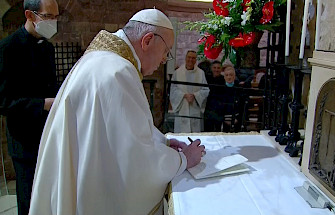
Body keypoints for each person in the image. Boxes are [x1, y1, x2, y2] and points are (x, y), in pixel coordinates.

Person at [29, 9, 205, 215]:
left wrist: (163, 142)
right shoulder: (118, 72)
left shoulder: (104, 60)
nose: (164, 60)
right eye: (166, 52)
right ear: (147, 40)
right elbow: (137, 159)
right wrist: (185, 159)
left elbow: (120, 134)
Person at [0, 0, 59, 214]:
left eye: (55, 17)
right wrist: (43, 104)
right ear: (30, 15)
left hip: (47, 135)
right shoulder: (8, 48)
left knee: (49, 197)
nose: (53, 22)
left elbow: (51, 87)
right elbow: (4, 102)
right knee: (29, 200)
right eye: (48, 16)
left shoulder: (48, 48)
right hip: (24, 140)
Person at [170, 50, 209, 133]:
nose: (191, 60)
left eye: (193, 58)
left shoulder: (201, 73)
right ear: (185, 58)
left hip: (195, 106)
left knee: (194, 132)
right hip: (182, 106)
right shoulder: (177, 72)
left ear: (196, 60)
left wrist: (195, 95)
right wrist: (184, 95)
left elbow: (206, 90)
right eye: (189, 57)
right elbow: (173, 89)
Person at [204, 60, 225, 132]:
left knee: (217, 130)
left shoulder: (223, 80)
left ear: (221, 69)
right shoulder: (207, 78)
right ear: (211, 68)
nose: (216, 69)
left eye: (218, 68)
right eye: (214, 67)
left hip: (219, 109)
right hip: (208, 108)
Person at [221, 66, 242, 132]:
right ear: (224, 77)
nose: (229, 77)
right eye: (226, 75)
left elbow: (241, 106)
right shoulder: (220, 89)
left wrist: (237, 119)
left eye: (231, 75)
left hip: (237, 119)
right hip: (224, 120)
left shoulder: (239, 89)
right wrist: (224, 119)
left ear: (234, 76)